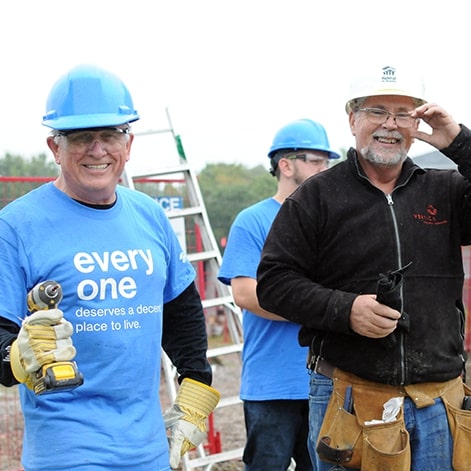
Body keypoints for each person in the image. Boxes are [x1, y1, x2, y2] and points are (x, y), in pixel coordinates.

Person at [0, 64, 220, 471]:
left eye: (110, 135)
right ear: (55, 147)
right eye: (81, 137)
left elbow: (180, 307)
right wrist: (14, 356)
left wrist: (195, 382)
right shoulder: (16, 226)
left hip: (149, 449)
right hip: (67, 455)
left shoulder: (149, 216)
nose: (97, 150)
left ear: (128, 143)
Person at [256, 63, 471, 471]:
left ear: (418, 122)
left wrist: (460, 143)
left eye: (403, 113)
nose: (390, 125)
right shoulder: (315, 197)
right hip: (349, 396)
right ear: (352, 118)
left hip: (439, 399)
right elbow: (274, 283)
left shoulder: (446, 190)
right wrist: (345, 310)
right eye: (377, 111)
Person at [218, 119, 340, 470]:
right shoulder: (253, 221)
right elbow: (245, 293)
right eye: (315, 161)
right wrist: (322, 308)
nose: (324, 169)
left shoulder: (334, 221)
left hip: (329, 379)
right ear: (285, 165)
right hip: (272, 384)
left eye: (326, 162)